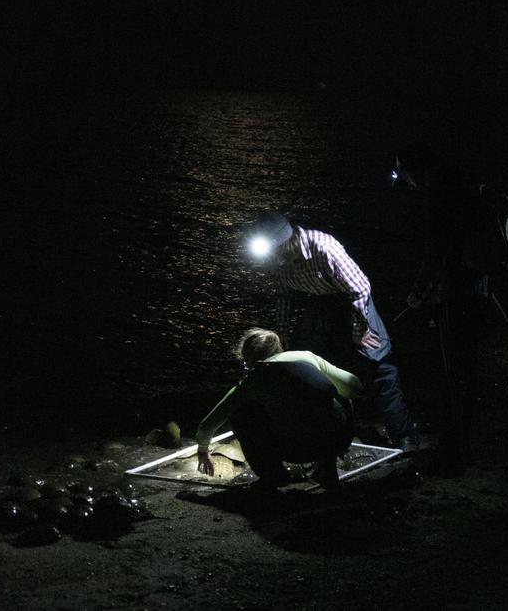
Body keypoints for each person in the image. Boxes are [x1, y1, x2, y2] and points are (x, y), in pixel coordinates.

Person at [246, 212, 417, 452]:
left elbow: (360, 288)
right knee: (314, 367)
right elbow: (283, 293)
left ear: (284, 242)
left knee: (380, 367)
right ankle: (331, 432)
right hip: (320, 304)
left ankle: (404, 436)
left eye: (273, 250)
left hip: (353, 301)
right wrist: (282, 329)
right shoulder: (277, 259)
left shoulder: (323, 247)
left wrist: (359, 330)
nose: (270, 257)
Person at [392, 144, 491, 475]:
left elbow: (436, 250)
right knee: (467, 372)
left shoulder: (441, 197)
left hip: (454, 297)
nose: (404, 181)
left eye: (402, 172)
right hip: (478, 292)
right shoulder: (465, 191)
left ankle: (454, 454)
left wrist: (418, 294)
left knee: (449, 375)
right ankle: (463, 447)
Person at [196, 328, 364, 490]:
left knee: (240, 413)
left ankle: (273, 475)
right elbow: (355, 386)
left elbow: (208, 424)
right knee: (338, 396)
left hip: (296, 449)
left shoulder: (253, 379)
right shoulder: (306, 356)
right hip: (338, 439)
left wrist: (203, 451)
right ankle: (327, 469)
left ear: (249, 359)